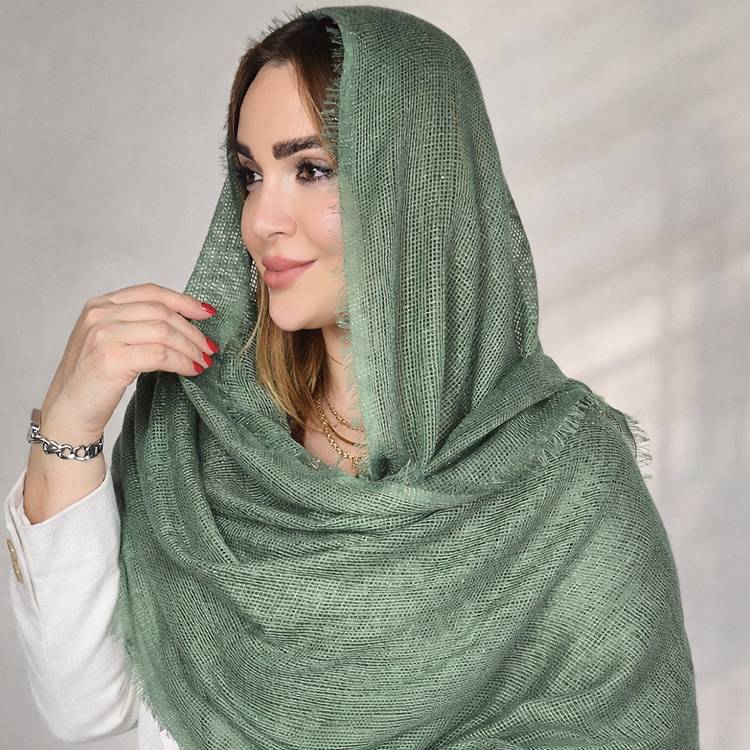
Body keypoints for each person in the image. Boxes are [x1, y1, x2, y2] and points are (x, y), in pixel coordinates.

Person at [5, 5, 700, 749]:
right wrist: (70, 423)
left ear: (416, 182)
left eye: (310, 169)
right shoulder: (201, 423)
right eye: (249, 175)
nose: (260, 220)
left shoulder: (561, 474)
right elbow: (86, 709)